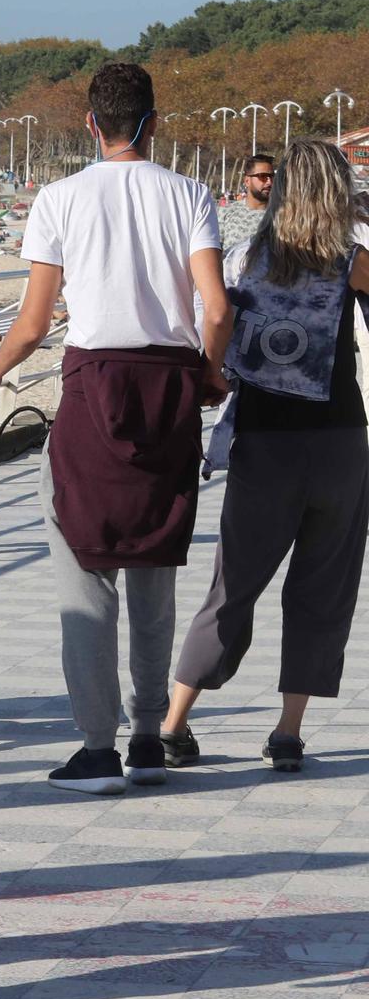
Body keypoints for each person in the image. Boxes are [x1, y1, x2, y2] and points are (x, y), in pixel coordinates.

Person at [0, 62, 231, 795]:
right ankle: (149, 737)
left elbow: (32, 320)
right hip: (171, 385)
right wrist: (210, 372)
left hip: (93, 387)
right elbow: (215, 306)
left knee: (84, 576)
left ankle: (95, 746)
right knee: (153, 567)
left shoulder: (58, 198)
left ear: (92, 124)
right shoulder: (189, 193)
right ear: (152, 123)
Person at [164, 140, 369, 773]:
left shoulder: (247, 256)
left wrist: (213, 376)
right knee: (323, 589)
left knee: (233, 585)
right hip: (338, 439)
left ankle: (172, 724)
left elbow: (217, 325)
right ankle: (287, 732)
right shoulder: (353, 259)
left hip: (264, 441)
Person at [219, 153, 275, 252]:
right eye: (262, 176)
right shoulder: (226, 212)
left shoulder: (284, 216)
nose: (269, 182)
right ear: (247, 181)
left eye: (271, 176)